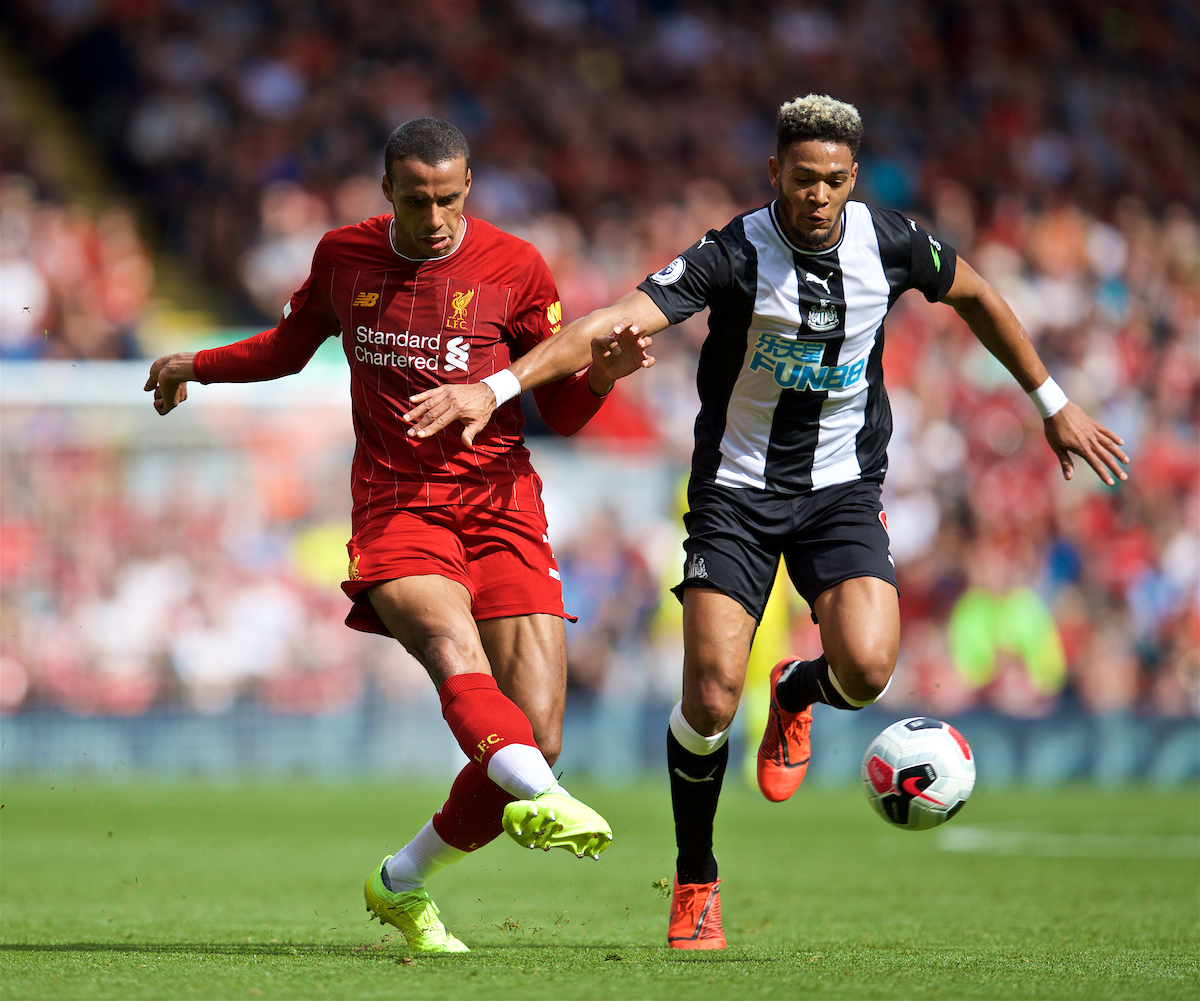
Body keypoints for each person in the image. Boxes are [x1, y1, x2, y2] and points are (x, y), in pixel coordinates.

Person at [400, 95, 1130, 950]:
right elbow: (610, 321)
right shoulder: (732, 253)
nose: (817, 195)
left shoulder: (891, 241)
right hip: (735, 495)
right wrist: (493, 389)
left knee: (865, 671)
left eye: (834, 180)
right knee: (708, 695)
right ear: (774, 171)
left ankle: (795, 690)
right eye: (802, 177)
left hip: (842, 490)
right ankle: (697, 879)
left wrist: (1052, 401)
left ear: (853, 179)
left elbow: (977, 295)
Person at [144, 118, 630, 955]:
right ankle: (538, 792)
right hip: (398, 504)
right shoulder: (345, 255)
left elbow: (564, 413)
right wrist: (198, 363)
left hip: (502, 505)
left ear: (469, 185)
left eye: (448, 197)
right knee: (453, 650)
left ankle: (402, 879)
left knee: (535, 735)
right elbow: (289, 348)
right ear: (387, 192)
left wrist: (603, 379)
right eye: (417, 199)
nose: (434, 215)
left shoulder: (516, 267)